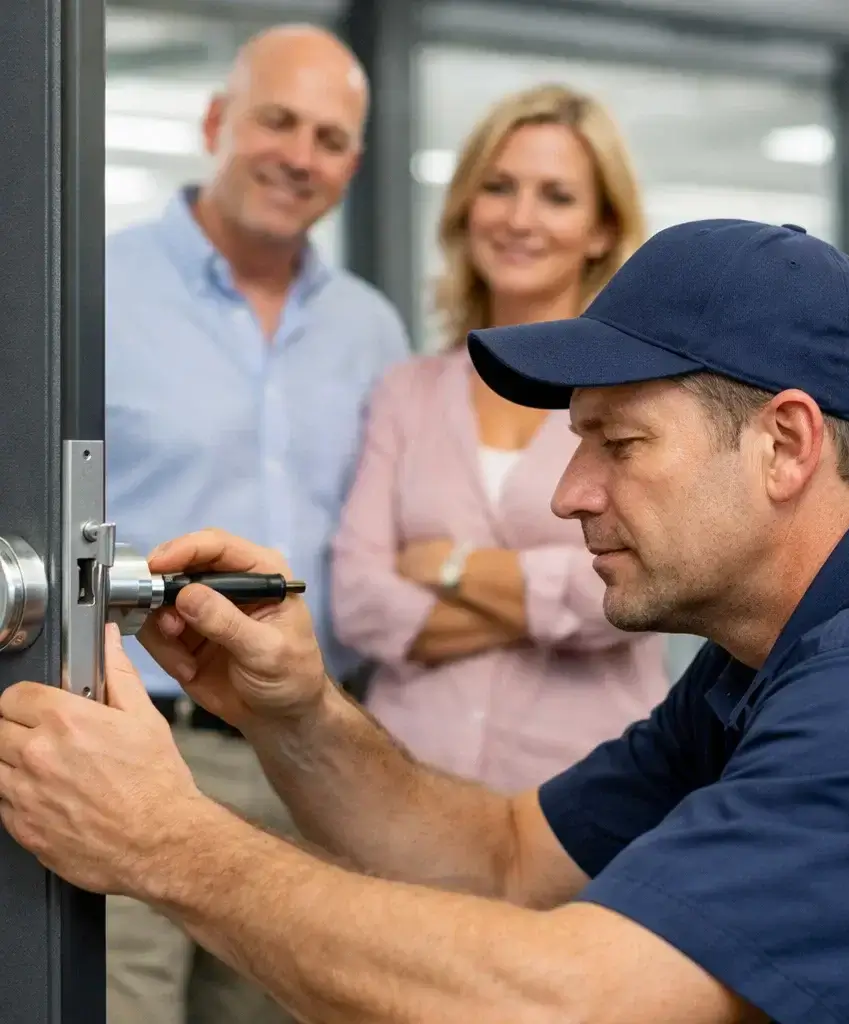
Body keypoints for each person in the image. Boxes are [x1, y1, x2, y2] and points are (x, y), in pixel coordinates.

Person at [4, 218, 849, 1024]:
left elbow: (569, 1001)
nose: (568, 493)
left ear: (785, 443)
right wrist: (297, 714)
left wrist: (162, 842)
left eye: (618, 443)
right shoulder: (755, 655)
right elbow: (502, 860)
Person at [103, 23, 409, 1024]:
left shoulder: (371, 326)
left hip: (302, 750)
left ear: (351, 165)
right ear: (215, 121)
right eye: (277, 120)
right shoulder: (96, 288)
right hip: (138, 732)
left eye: (329, 138)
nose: (299, 154)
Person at [331, 83, 667, 792]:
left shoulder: (644, 394)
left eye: (556, 195)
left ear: (603, 228)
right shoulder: (407, 392)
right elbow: (359, 603)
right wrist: (552, 596)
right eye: (499, 187)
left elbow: (640, 591)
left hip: (589, 802)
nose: (520, 218)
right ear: (466, 206)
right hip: (404, 793)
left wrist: (449, 568)